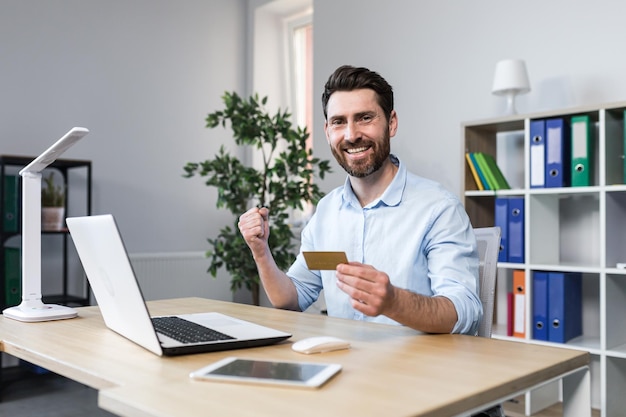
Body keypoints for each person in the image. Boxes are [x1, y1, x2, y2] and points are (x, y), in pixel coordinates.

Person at [238, 65, 482, 335]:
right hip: (343, 364)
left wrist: (393, 301)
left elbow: (465, 311)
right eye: (339, 121)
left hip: (415, 371)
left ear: (391, 123)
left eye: (365, 118)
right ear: (328, 130)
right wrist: (260, 251)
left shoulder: (438, 208)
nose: (351, 134)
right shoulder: (326, 212)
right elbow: (293, 298)